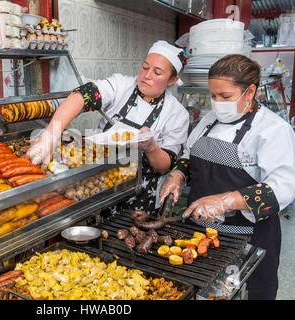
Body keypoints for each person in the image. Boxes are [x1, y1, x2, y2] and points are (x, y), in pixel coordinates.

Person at [159, 54, 295, 300]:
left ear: (250, 91)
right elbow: (190, 154)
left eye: (225, 97)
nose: (217, 103)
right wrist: (179, 173)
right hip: (200, 232)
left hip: (247, 236)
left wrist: (227, 200)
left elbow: (284, 187)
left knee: (243, 293)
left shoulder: (273, 130)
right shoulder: (210, 120)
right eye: (213, 96)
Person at [27, 41, 189, 214]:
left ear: (173, 79)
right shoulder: (122, 85)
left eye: (157, 72)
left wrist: (151, 147)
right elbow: (83, 95)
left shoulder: (177, 114)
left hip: (141, 198)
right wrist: (51, 134)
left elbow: (165, 166)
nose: (146, 75)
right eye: (144, 67)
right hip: (100, 186)